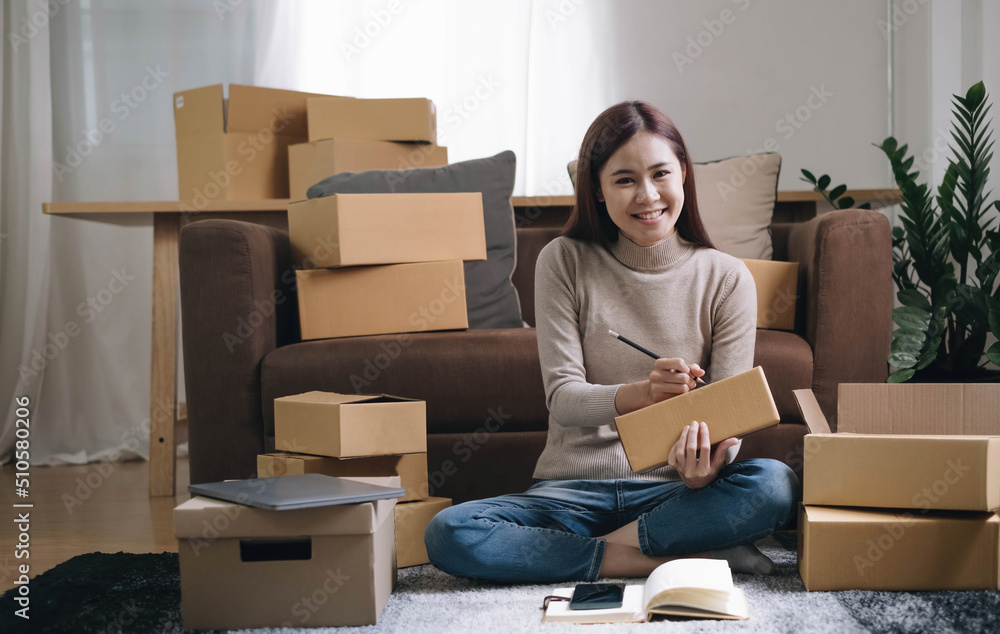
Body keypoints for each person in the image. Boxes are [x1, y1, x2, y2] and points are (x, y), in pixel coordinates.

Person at [424, 101, 799, 584]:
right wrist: (641, 395)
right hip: (570, 493)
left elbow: (731, 418)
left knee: (774, 484)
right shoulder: (563, 260)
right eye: (624, 180)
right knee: (449, 531)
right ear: (598, 191)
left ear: (683, 174)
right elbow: (563, 399)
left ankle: (587, 555)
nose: (647, 195)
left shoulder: (727, 277)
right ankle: (663, 559)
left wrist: (704, 471)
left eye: (661, 173)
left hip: (673, 495)